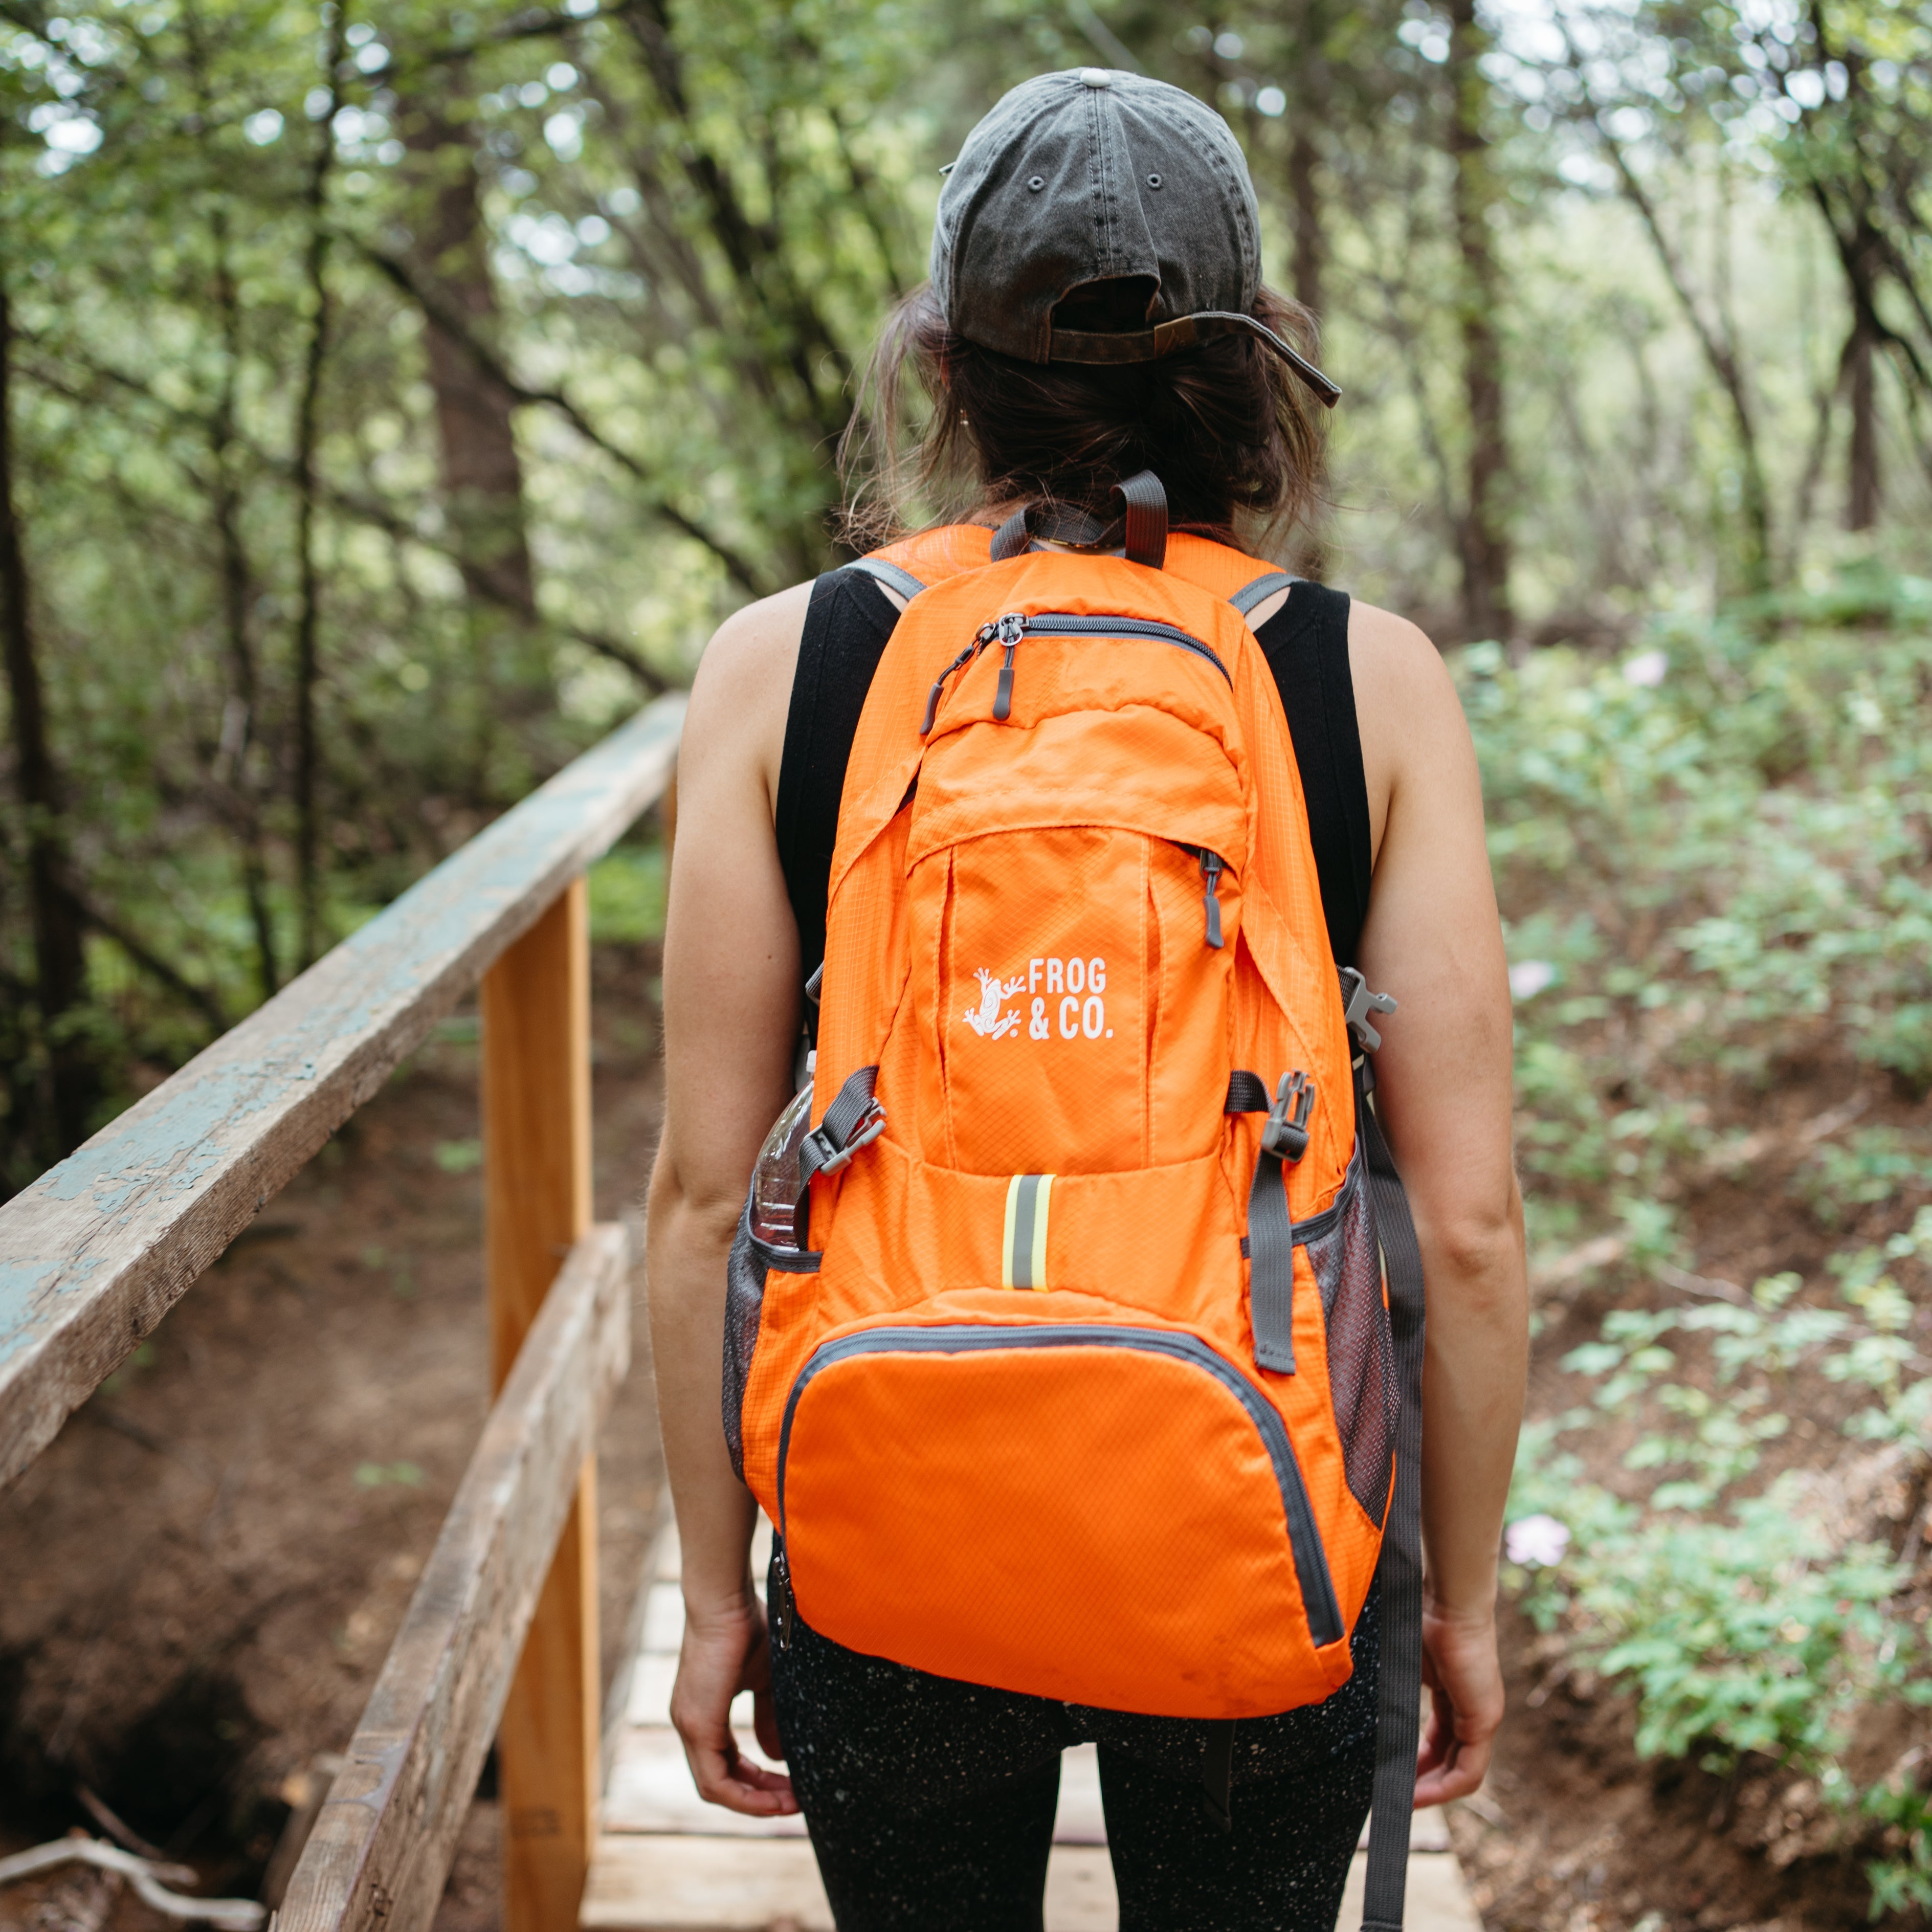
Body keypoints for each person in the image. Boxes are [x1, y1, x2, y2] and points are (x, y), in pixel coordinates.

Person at [647, 66, 1528, 1932]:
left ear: (945, 361)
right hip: (1261, 1488)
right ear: (1251, 362)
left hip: (886, 1502)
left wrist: (722, 1588)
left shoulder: (776, 668)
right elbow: (1463, 1222)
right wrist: (1456, 1600)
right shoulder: (1365, 681)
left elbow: (699, 1197)